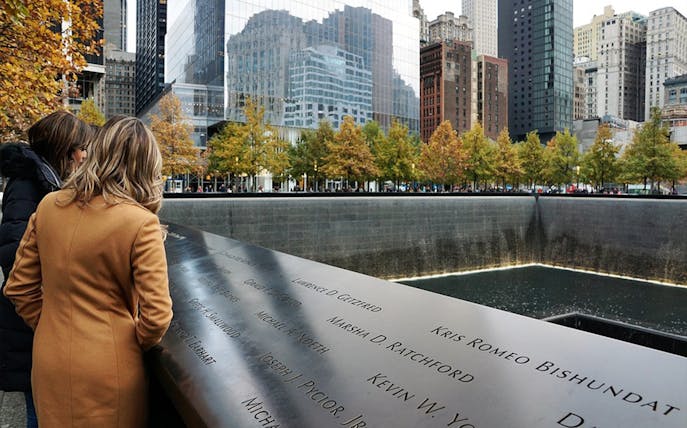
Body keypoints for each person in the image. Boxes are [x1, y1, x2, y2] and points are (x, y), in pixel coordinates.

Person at [3, 116, 173, 427]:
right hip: (109, 367)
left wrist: (50, 324)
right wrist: (125, 341)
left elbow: (17, 287)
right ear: (147, 166)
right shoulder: (141, 223)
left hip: (49, 357)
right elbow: (157, 316)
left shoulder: (48, 206)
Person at [0, 110, 92, 428]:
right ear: (65, 149)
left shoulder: (42, 180)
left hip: (34, 325)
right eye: (83, 149)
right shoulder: (29, 185)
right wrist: (45, 318)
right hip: (29, 327)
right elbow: (15, 257)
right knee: (39, 412)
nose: (85, 157)